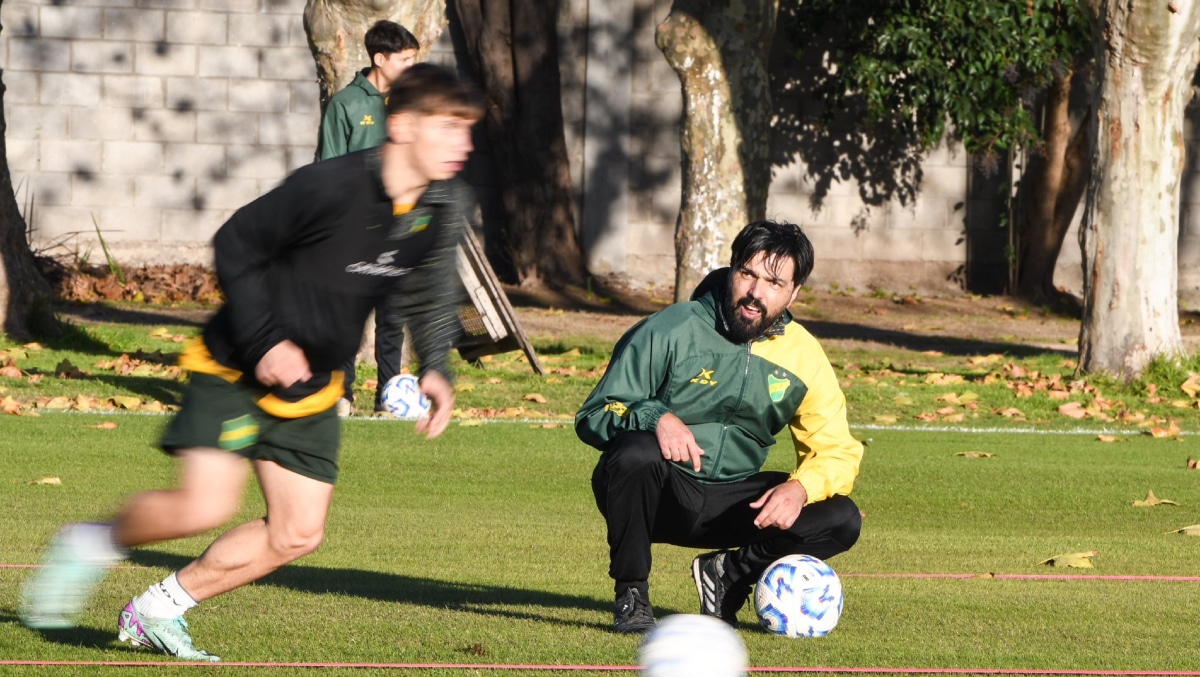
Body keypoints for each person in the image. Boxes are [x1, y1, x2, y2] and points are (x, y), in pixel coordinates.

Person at [18, 63, 484, 661]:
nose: (463, 145)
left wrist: (437, 365)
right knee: (203, 507)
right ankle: (88, 542)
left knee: (297, 534)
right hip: (235, 365)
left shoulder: (444, 202)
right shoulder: (329, 186)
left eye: (468, 130)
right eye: (449, 127)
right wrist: (265, 342)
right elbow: (235, 242)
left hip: (314, 386)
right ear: (402, 125)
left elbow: (430, 287)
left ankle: (157, 610)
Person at [575, 220, 864, 634]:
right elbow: (595, 414)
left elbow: (836, 451)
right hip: (661, 496)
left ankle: (726, 573)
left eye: (773, 282)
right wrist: (656, 417)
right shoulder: (671, 327)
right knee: (635, 452)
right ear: (731, 269)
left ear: (794, 292)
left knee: (842, 517)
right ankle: (632, 595)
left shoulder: (805, 356)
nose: (755, 293)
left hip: (736, 506)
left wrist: (801, 487)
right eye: (747, 274)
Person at [318, 19, 421, 415]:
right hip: (354, 229)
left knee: (392, 319)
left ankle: (388, 398)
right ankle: (341, 394)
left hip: (400, 227)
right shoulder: (345, 105)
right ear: (381, 59)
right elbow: (329, 169)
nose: (412, 66)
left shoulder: (412, 106)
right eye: (406, 59)